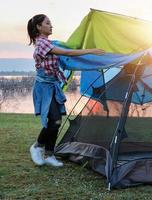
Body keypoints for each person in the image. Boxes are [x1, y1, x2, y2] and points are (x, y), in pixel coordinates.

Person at [27, 14, 104, 167]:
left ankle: (49, 155)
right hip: (44, 88)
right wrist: (91, 50)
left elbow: (66, 52)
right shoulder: (43, 44)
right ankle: (36, 147)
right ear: (38, 27)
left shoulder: (48, 43)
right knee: (54, 120)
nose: (51, 25)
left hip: (52, 86)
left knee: (56, 120)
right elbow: (67, 53)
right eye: (47, 23)